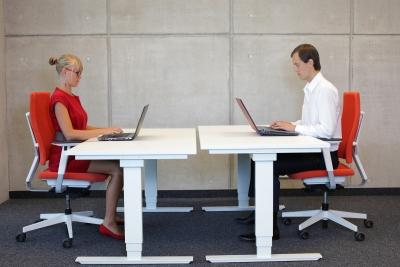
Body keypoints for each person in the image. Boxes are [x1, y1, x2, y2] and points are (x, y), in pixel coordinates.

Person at [238, 44, 341, 242]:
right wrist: (289, 125)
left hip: (324, 156)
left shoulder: (325, 90)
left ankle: (269, 228)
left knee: (269, 164)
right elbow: (311, 123)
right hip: (314, 150)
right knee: (257, 159)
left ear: (310, 62)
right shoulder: (312, 89)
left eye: (297, 65)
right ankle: (261, 211)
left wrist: (294, 129)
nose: (295, 70)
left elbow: (327, 130)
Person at [48, 54, 125, 240]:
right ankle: (108, 222)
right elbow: (70, 134)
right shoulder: (59, 99)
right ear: (65, 72)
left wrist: (108, 129)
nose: (80, 77)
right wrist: (102, 134)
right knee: (117, 168)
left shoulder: (71, 97)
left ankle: (110, 216)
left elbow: (81, 128)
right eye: (77, 73)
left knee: (118, 165)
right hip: (67, 158)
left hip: (75, 152)